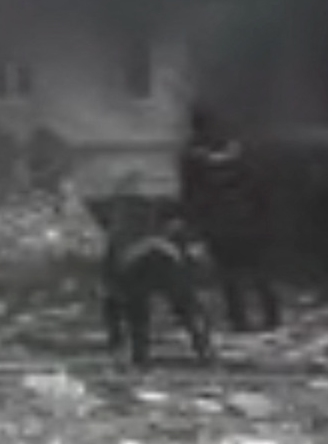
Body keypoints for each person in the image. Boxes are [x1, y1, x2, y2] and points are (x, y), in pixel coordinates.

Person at [178, 106, 278, 332]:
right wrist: (264, 217)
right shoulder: (242, 154)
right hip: (249, 221)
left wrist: (193, 224)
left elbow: (190, 195)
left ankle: (238, 319)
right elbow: (261, 189)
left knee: (229, 274)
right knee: (259, 270)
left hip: (219, 223)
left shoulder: (192, 158)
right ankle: (272, 316)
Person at [99, 198, 216, 368]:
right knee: (186, 305)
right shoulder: (173, 219)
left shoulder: (122, 222)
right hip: (163, 257)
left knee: (133, 306)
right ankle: (203, 346)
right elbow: (196, 254)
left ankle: (136, 352)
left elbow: (111, 278)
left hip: (136, 259)